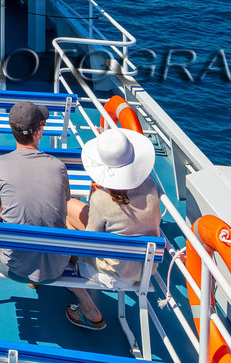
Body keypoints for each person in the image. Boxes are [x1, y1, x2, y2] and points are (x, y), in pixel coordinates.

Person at [64, 129, 162, 330]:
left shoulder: (101, 199)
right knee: (71, 209)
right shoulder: (151, 186)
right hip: (144, 268)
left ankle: (85, 305)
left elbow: (89, 243)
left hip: (112, 274)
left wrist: (95, 198)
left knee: (64, 217)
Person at [0, 101, 71, 284]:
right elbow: (60, 211)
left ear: (13, 131)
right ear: (39, 131)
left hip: (14, 266)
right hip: (55, 266)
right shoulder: (58, 167)